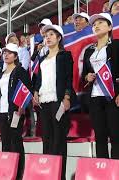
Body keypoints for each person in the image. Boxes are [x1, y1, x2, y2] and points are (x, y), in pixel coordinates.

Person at [82, 13, 119, 159]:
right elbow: (85, 73)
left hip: (113, 95)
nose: (96, 26)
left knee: (115, 135)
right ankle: (102, 171)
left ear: (110, 27)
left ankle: (118, 171)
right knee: (100, 136)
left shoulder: (117, 44)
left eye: (101, 23)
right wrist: (87, 76)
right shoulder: (89, 50)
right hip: (95, 97)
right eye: (94, 24)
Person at [33, 24, 75, 180]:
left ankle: (59, 176)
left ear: (59, 38)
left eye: (51, 34)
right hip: (44, 101)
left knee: (59, 138)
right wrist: (36, 92)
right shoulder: (42, 59)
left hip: (58, 101)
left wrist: (67, 97)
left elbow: (69, 78)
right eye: (45, 35)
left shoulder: (65, 55)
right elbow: (39, 79)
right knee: (47, 137)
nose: (47, 37)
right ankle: (48, 174)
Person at [0, 43, 31, 179]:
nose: (6, 55)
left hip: (15, 112)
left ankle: (19, 174)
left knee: (16, 142)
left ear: (15, 56)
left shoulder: (20, 70)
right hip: (2, 112)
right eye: (4, 53)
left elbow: (27, 89)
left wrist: (21, 106)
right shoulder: (1, 74)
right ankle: (7, 172)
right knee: (5, 142)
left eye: (9, 53)